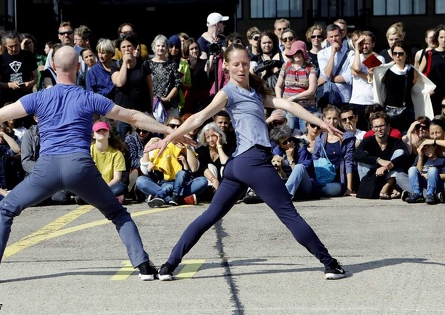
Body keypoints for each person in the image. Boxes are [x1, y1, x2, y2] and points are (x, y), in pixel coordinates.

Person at [0, 45, 179, 284]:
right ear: (78, 68)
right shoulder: (89, 97)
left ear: (53, 67)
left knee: (6, 209)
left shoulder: (39, 96)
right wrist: (169, 130)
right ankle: (145, 267)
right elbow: (133, 116)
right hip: (80, 167)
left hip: (47, 168)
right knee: (117, 213)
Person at [146, 43, 346, 281]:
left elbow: (289, 105)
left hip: (237, 166)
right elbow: (200, 116)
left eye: (244, 64)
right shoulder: (228, 92)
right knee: (289, 215)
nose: (241, 68)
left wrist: (321, 122)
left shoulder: (255, 92)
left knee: (209, 216)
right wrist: (168, 137)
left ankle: (168, 266)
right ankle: (330, 264)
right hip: (252, 163)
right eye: (236, 64)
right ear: (227, 67)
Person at [353, 111, 408, 199]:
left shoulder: (395, 142)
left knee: (399, 153)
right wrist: (378, 160)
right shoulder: (368, 140)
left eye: (382, 125)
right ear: (372, 128)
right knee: (361, 162)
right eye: (376, 127)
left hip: (390, 175)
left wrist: (387, 166)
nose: (379, 129)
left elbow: (406, 155)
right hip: (374, 175)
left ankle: (387, 186)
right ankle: (372, 188)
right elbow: (356, 154)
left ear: (388, 126)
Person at [111, 32, 153, 140]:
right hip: (123, 112)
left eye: (129, 46)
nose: (126, 49)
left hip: (141, 110)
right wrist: (125, 63)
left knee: (142, 140)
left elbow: (150, 87)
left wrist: (151, 108)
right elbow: (119, 82)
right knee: (123, 141)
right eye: (123, 47)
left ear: (134, 47)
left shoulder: (143, 64)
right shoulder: (115, 65)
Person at [274, 40, 317, 133]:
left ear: (304, 53)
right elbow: (278, 86)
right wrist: (279, 102)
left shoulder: (310, 67)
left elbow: (311, 90)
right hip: (289, 107)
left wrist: (294, 98)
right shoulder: (286, 65)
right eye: (295, 52)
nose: (297, 54)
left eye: (299, 52)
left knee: (306, 133)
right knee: (290, 133)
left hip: (306, 107)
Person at [312, 105, 355, 197]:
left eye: (335, 118)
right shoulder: (319, 138)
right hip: (322, 178)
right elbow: (315, 159)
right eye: (329, 118)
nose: (332, 122)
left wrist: (349, 188)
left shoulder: (347, 137)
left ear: (339, 119)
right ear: (323, 119)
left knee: (328, 190)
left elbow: (348, 161)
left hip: (338, 180)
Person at [87, 120, 128, 205]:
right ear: (93, 135)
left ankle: (93, 198)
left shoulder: (117, 154)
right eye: (98, 131)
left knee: (121, 187)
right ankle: (109, 198)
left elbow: (117, 178)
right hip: (92, 186)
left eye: (105, 130)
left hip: (109, 186)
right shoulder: (88, 151)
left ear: (109, 134)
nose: (102, 132)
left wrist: (105, 187)